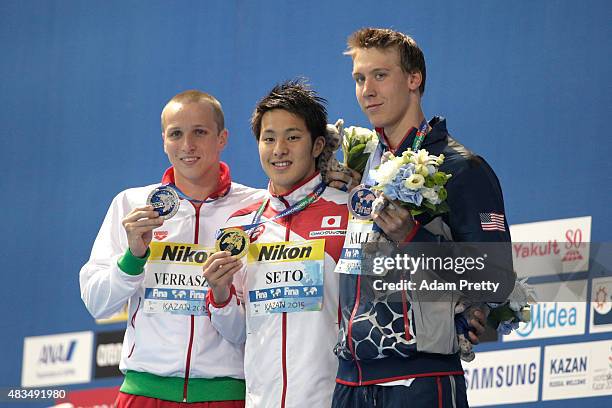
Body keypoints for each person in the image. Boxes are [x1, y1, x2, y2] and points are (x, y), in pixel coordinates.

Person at [331, 28, 515, 407]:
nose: (367, 90)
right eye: (359, 78)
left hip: (420, 380)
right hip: (350, 382)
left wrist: (414, 236)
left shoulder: (461, 167)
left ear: (414, 79)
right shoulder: (363, 166)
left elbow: (495, 280)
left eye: (380, 75)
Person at [79, 90, 266, 407]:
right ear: (164, 141)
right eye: (176, 134)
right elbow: (98, 304)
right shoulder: (132, 204)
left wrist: (222, 296)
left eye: (200, 132)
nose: (187, 145)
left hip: (225, 394)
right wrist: (133, 258)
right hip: (144, 393)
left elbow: (256, 322)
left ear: (222, 138)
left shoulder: (257, 207)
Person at [203, 80, 349, 407]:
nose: (279, 149)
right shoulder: (238, 225)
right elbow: (238, 331)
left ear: (317, 145)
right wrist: (221, 293)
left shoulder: (348, 212)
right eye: (268, 138)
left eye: (292, 137)